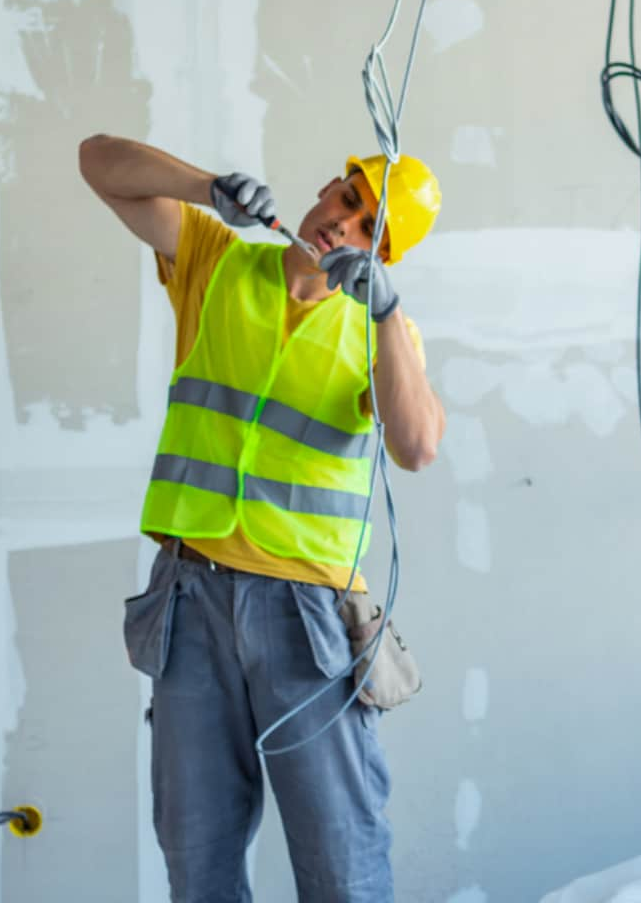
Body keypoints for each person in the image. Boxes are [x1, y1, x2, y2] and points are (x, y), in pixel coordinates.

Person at [79, 134, 447, 903]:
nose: (345, 226)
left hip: (306, 614)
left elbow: (417, 446)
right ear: (324, 190)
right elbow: (98, 163)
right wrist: (209, 186)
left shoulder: (384, 336)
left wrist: (385, 314)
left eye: (371, 227)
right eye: (348, 200)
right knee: (197, 851)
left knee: (340, 858)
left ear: (384, 258)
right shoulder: (216, 262)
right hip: (190, 596)